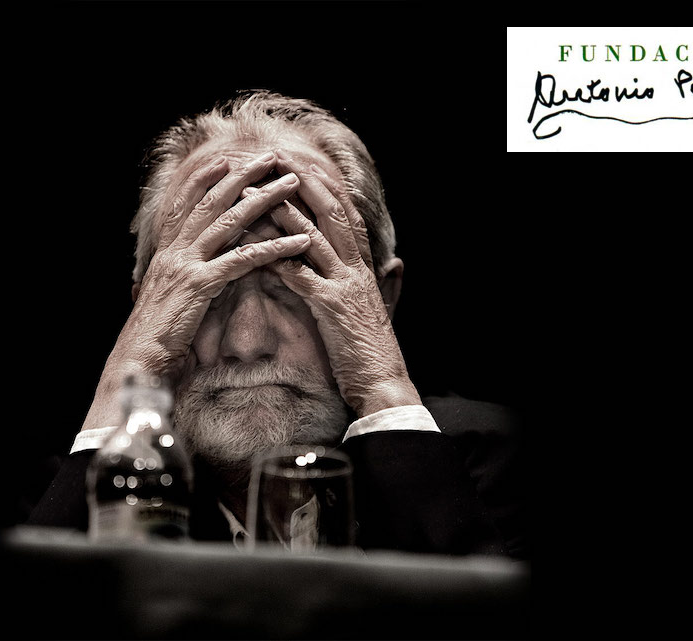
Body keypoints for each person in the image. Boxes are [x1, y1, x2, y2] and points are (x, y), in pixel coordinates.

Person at [28, 91, 525, 557]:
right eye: (208, 290)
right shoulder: (53, 493)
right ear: (149, 313)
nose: (247, 343)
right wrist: (126, 386)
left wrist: (383, 390)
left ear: (381, 301)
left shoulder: (493, 463)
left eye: (297, 282)